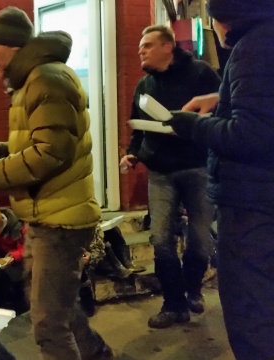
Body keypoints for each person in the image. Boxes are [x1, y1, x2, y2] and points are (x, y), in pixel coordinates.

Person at [0, 7, 111, 359]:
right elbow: (40, 143)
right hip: (49, 215)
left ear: (13, 46)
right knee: (55, 305)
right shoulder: (34, 80)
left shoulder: (45, 80)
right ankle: (97, 354)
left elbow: (49, 154)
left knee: (47, 323)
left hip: (61, 220)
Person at [165, 1, 274, 357]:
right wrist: (222, 98)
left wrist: (193, 126)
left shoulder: (254, 47)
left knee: (251, 314)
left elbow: (252, 135)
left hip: (252, 207)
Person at [118, 24, 221, 329]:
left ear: (169, 46)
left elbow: (223, 106)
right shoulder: (144, 86)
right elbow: (138, 128)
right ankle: (173, 304)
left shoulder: (201, 73)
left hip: (198, 167)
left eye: (148, 45)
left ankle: (192, 290)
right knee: (160, 240)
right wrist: (132, 152)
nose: (141, 51)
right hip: (160, 172)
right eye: (140, 47)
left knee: (201, 240)